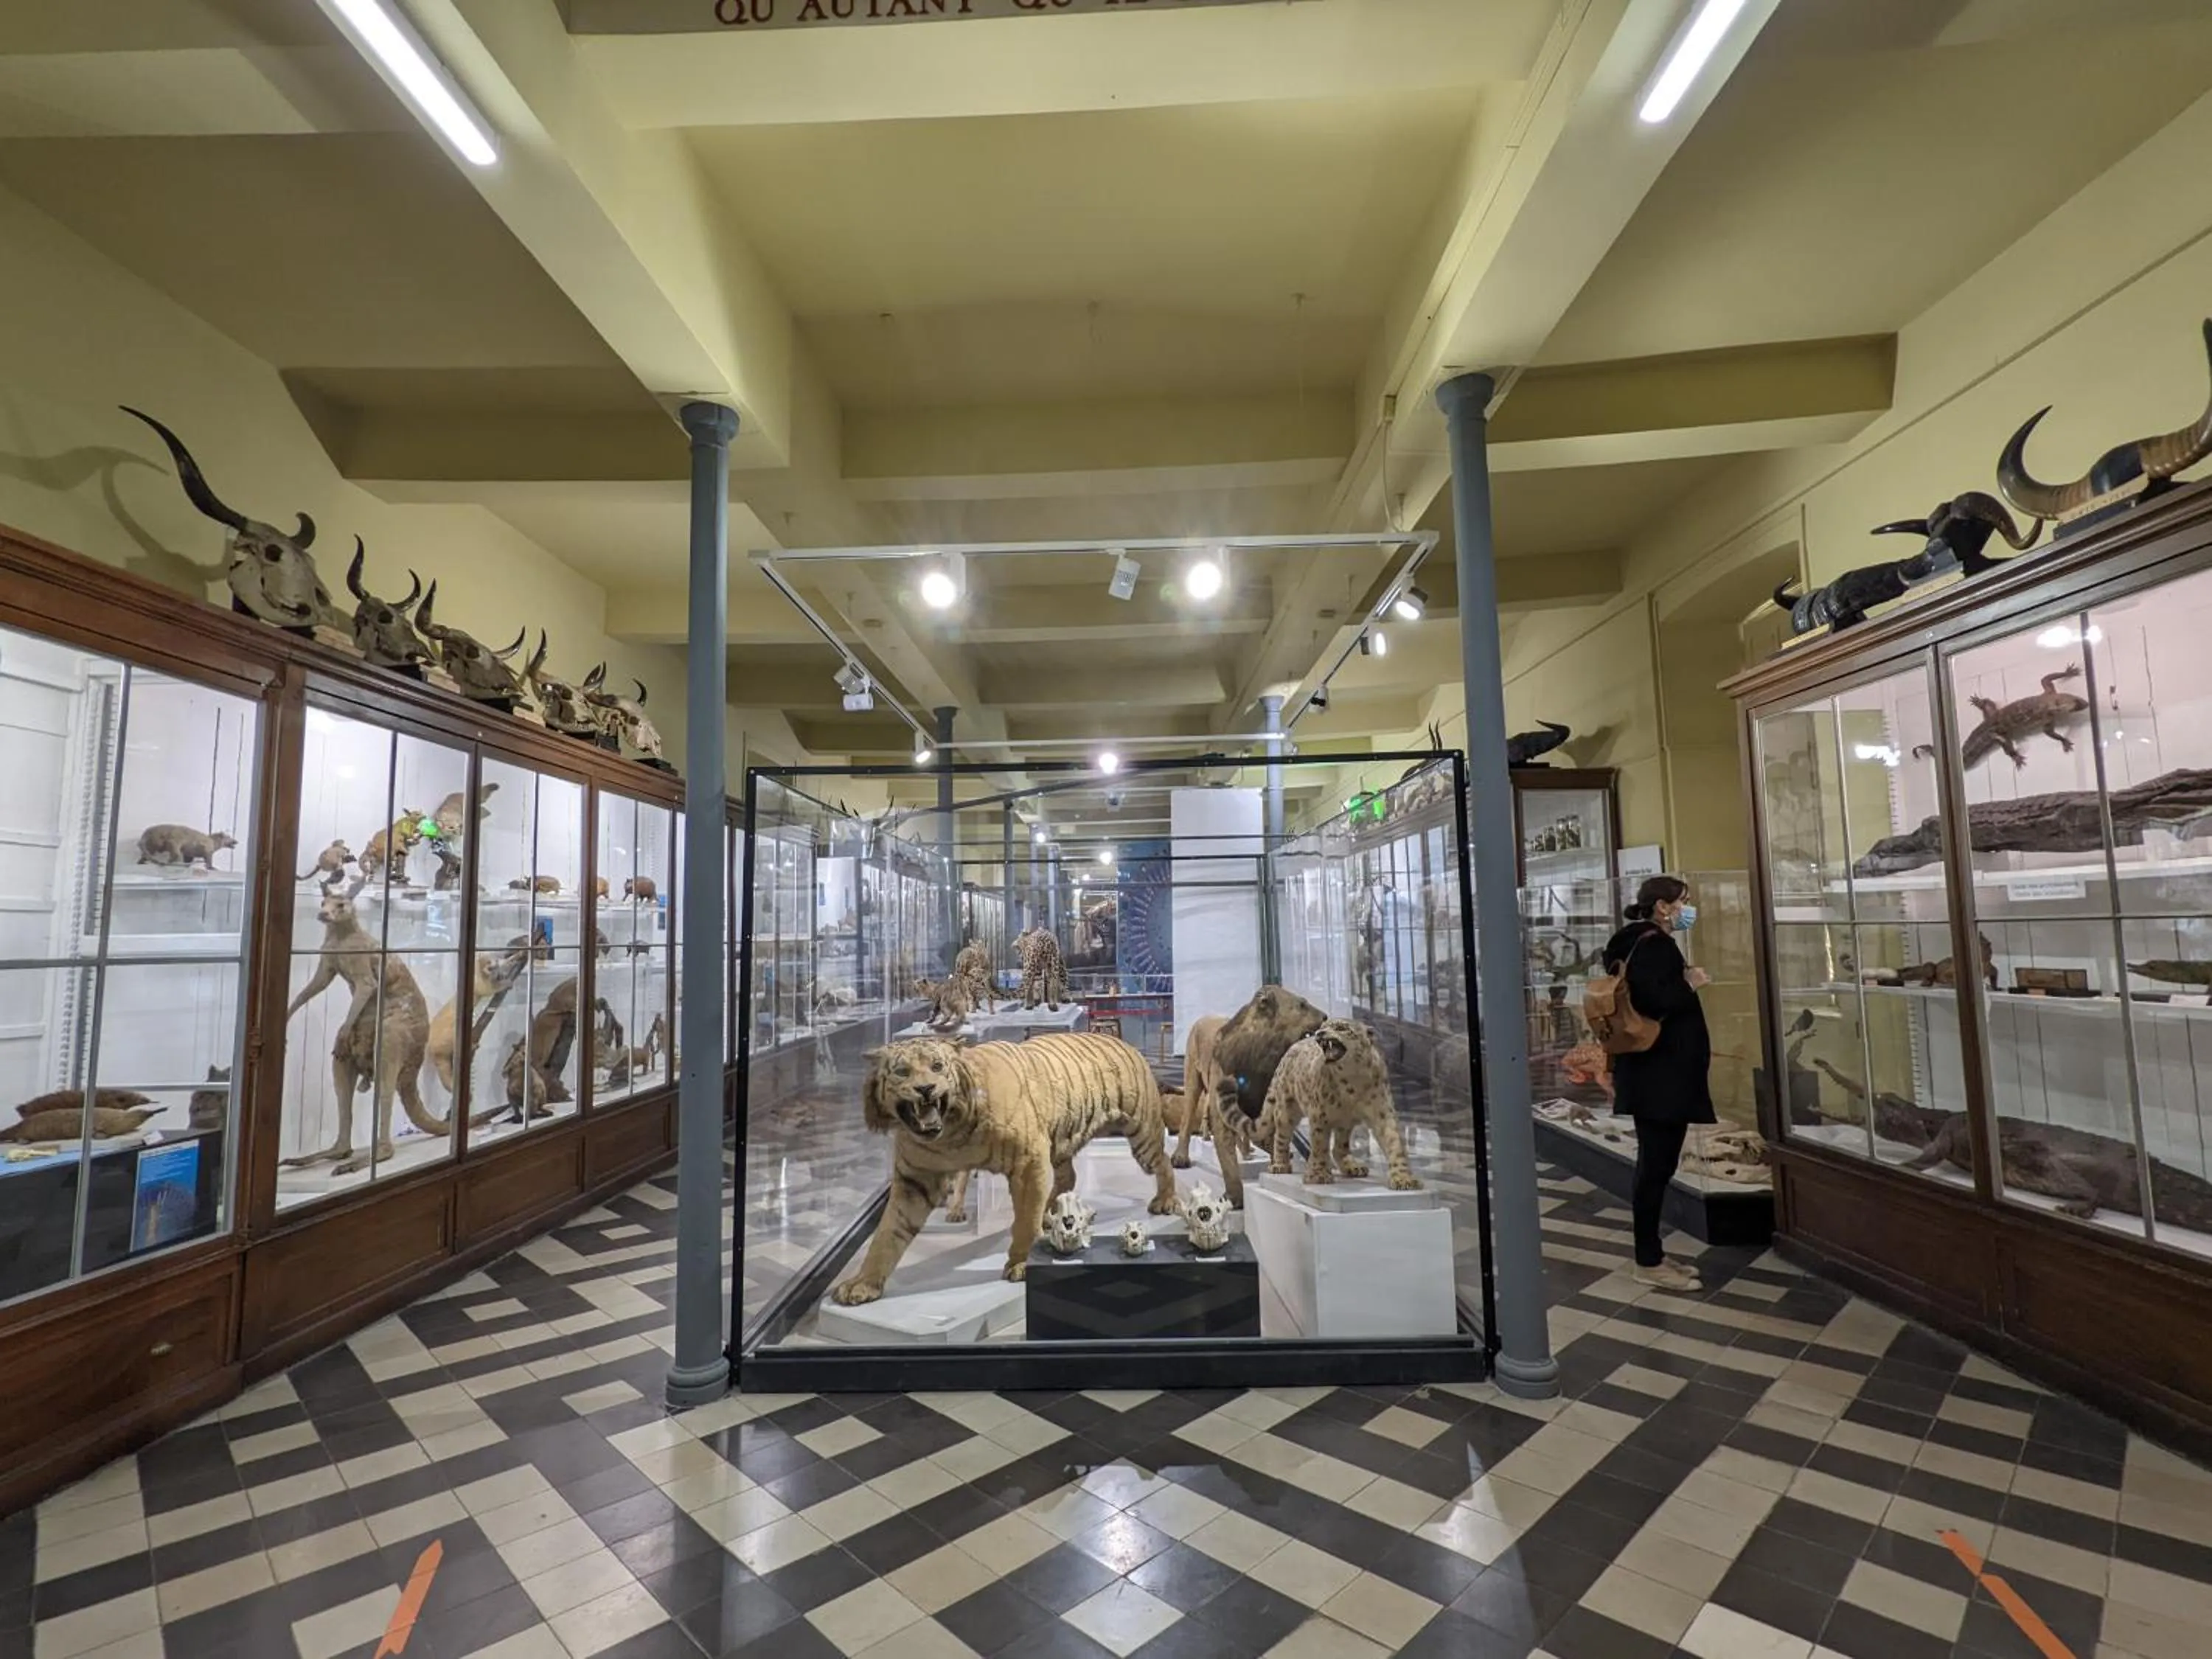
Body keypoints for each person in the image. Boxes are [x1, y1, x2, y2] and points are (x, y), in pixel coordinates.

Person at [1601, 874, 1714, 1291]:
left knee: (1657, 1164)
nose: (1688, 908)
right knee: (1656, 1167)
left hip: (1653, 1073)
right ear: (1663, 907)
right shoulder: (1655, 945)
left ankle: (1653, 1253)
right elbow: (1654, 1000)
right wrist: (1690, 983)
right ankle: (1647, 1261)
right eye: (1684, 900)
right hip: (1660, 1076)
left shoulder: (1632, 940)